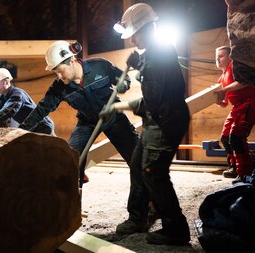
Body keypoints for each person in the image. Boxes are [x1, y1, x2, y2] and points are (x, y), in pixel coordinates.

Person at [102, 3, 191, 245]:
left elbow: (152, 99)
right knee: (137, 164)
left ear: (148, 28)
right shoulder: (153, 52)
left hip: (166, 120)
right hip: (157, 118)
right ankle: (138, 218)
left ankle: (176, 229)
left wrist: (118, 106)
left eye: (135, 34)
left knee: (154, 172)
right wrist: (139, 64)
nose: (132, 40)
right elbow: (155, 80)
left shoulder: (157, 54)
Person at [19, 40, 139, 187]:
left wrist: (124, 84)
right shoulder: (59, 88)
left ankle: (150, 199)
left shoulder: (100, 66)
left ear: (72, 60)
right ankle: (74, 197)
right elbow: (41, 110)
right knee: (70, 160)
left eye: (60, 70)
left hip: (113, 117)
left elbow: (124, 78)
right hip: (87, 123)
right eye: (55, 72)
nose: (59, 76)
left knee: (137, 158)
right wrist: (19, 132)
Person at [214, 46, 255, 181]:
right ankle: (235, 167)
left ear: (230, 56)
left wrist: (224, 89)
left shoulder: (235, 66)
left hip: (249, 101)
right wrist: (218, 100)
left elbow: (245, 81)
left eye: (221, 56)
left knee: (236, 137)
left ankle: (244, 173)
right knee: (225, 137)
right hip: (237, 106)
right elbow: (224, 103)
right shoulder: (222, 77)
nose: (217, 59)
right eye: (216, 56)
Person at [0, 68, 54, 135]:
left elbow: (7, 111)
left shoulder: (17, 94)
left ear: (7, 81)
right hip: (32, 127)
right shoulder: (3, 98)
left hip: (42, 127)